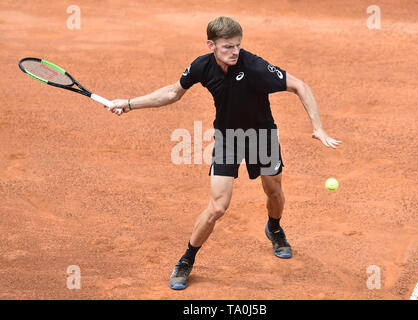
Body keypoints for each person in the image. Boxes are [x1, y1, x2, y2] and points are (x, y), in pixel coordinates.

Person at [108, 16, 342, 290]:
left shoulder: (254, 66)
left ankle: (274, 228)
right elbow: (173, 93)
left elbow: (300, 86)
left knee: (273, 191)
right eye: (228, 47)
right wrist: (128, 104)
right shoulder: (201, 66)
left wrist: (318, 128)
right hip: (228, 138)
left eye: (238, 46)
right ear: (211, 45)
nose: (235, 52)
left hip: (262, 135)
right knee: (218, 206)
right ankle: (186, 259)